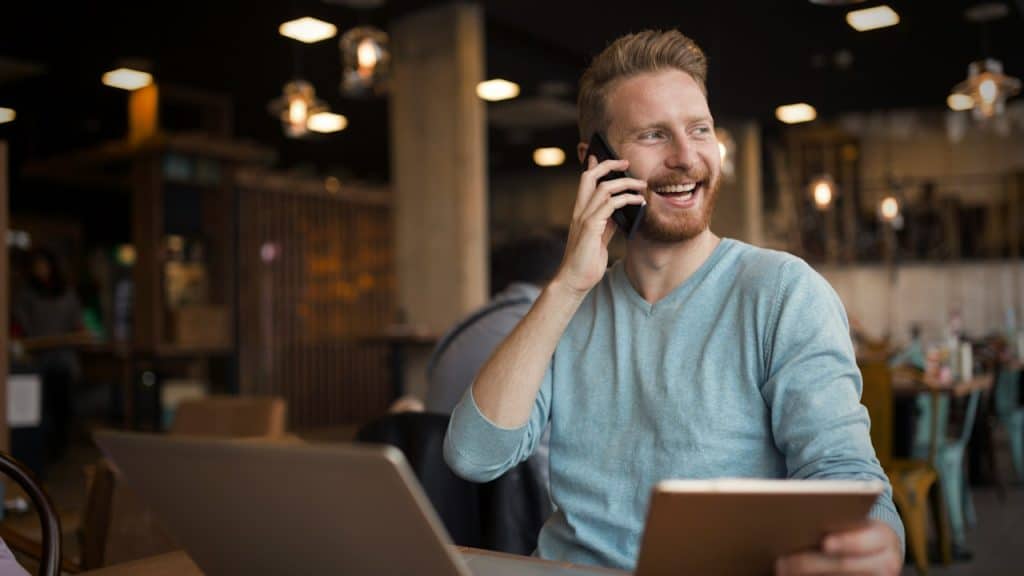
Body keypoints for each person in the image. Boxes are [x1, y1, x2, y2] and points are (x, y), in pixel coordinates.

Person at [444, 30, 905, 574]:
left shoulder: (783, 292)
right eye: (654, 135)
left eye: (699, 129)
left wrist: (878, 538)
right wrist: (567, 286)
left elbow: (845, 473)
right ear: (596, 161)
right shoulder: (571, 306)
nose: (687, 157)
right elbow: (473, 457)